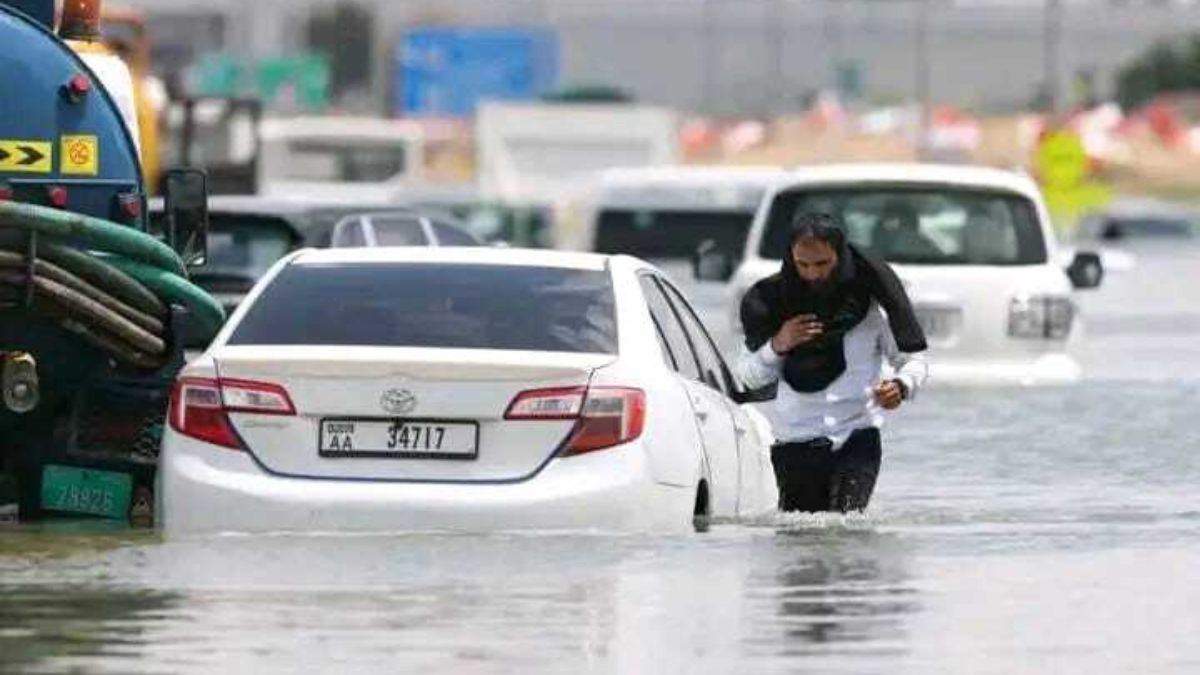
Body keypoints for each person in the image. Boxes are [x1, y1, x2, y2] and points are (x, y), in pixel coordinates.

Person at [736, 212, 929, 513]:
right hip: (794, 441)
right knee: (801, 540)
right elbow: (749, 378)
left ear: (840, 258)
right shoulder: (771, 304)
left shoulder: (868, 309)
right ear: (791, 259)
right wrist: (778, 344)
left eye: (823, 264)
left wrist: (901, 386)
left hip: (857, 436)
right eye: (803, 265)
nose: (813, 274)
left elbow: (913, 360)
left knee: (847, 527)